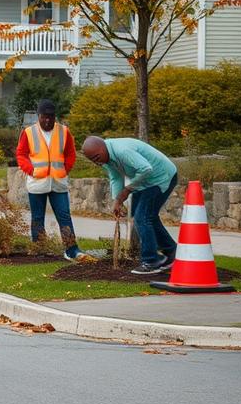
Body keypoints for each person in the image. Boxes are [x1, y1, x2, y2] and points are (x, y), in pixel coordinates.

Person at [81, 135, 180, 275]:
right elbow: (115, 177)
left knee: (143, 218)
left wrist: (127, 190)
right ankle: (171, 251)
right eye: (92, 160)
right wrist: (117, 201)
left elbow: (146, 169)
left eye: (97, 158)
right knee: (143, 217)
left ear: (102, 148)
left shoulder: (122, 151)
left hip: (161, 177)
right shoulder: (107, 158)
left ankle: (151, 261)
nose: (97, 163)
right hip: (145, 182)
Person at [16, 99, 90, 260]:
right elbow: (21, 154)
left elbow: (71, 153)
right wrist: (31, 170)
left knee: (64, 216)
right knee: (37, 218)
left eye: (51, 116)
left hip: (59, 183)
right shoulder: (28, 132)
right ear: (38, 116)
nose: (48, 120)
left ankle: (72, 250)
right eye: (44, 117)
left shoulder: (64, 131)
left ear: (55, 116)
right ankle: (39, 248)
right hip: (37, 182)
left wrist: (66, 168)